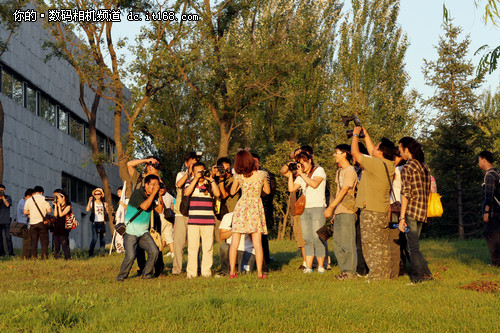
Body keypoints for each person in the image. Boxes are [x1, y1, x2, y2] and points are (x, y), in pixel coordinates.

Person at [351, 126, 396, 280]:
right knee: (382, 245)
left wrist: (356, 135)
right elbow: (371, 153)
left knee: (371, 244)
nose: (374, 147)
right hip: (382, 210)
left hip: (370, 210)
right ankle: (384, 274)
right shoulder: (388, 165)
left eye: (377, 146)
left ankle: (376, 276)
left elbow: (355, 154)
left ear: (381, 152)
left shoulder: (376, 164)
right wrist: (366, 135)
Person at [230, 150, 270, 279]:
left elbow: (232, 191)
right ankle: (259, 273)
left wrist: (238, 184)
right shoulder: (262, 174)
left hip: (242, 207)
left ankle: (232, 272)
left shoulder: (238, 176)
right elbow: (267, 191)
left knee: (234, 241)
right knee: (257, 243)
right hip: (255, 207)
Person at [397, 137, 433, 282]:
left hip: (411, 211)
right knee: (414, 245)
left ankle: (418, 278)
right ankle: (427, 275)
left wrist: (401, 218)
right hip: (422, 211)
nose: (400, 154)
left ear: (407, 149)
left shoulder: (407, 167)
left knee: (412, 247)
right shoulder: (424, 166)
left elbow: (406, 193)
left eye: (400, 150)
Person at [288, 151, 327, 274]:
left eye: (303, 162)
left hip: (317, 208)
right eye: (299, 163)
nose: (302, 165)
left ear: (309, 160)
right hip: (305, 209)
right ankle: (309, 267)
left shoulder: (319, 171)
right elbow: (291, 188)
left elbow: (314, 184)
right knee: (307, 239)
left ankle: (321, 266)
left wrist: (301, 174)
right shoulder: (301, 175)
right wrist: (291, 174)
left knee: (318, 238)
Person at [117, 174, 161, 281]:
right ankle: (121, 276)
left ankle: (146, 274)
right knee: (131, 256)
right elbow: (144, 206)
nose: (155, 187)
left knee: (154, 252)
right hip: (131, 231)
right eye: (153, 184)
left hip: (143, 232)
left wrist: (159, 195)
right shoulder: (138, 193)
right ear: (146, 185)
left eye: (157, 185)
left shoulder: (153, 195)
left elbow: (159, 210)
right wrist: (154, 193)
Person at [324, 144, 358, 279]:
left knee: (347, 243)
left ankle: (351, 272)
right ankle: (344, 271)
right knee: (337, 244)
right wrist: (334, 211)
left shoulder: (350, 171)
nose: (334, 155)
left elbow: (345, 190)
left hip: (348, 211)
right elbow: (338, 191)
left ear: (344, 154)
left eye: (336, 152)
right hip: (339, 211)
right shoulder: (339, 171)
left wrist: (331, 207)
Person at [184, 162, 221, 278]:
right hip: (193, 222)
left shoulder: (209, 183)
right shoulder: (190, 182)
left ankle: (206, 272)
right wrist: (195, 179)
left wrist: (211, 180)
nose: (200, 173)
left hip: (208, 221)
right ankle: (191, 273)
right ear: (193, 172)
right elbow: (186, 193)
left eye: (202, 171)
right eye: (198, 171)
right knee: (193, 248)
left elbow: (218, 193)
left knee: (208, 248)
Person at [172, 152, 198, 275]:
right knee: (179, 243)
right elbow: (179, 184)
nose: (193, 165)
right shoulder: (181, 174)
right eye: (191, 163)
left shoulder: (199, 176)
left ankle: (195, 267)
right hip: (180, 213)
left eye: (195, 163)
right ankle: (177, 269)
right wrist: (189, 173)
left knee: (195, 243)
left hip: (195, 212)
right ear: (186, 164)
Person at [281, 148, 307, 269]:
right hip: (296, 209)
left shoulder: (310, 171)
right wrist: (290, 165)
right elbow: (283, 171)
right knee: (300, 236)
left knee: (310, 236)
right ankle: (305, 261)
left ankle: (317, 261)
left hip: (306, 208)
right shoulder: (295, 174)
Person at [252, 152, 275, 270]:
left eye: (256, 161)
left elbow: (268, 192)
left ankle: (264, 262)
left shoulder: (264, 174)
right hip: (249, 208)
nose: (255, 163)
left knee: (262, 237)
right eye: (252, 161)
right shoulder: (244, 174)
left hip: (262, 206)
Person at [478, 150, 500, 267]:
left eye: (479, 161)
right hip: (498, 209)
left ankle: (497, 262)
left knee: (491, 234)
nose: (479, 163)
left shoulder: (489, 175)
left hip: (493, 211)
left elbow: (489, 195)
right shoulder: (496, 173)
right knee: (494, 234)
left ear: (484, 160)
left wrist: (486, 211)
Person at [213, 156, 240, 243]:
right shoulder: (214, 179)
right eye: (222, 169)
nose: (225, 172)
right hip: (220, 213)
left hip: (232, 212)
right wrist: (212, 174)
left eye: (228, 169)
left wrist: (221, 179)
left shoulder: (234, 179)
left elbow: (223, 195)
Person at [24, 185, 51, 259]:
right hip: (42, 223)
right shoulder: (44, 199)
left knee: (34, 242)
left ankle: (33, 257)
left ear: (34, 192)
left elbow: (25, 212)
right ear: (41, 192)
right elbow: (49, 210)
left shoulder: (29, 200)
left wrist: (32, 212)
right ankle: (44, 257)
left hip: (33, 223)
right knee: (44, 242)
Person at [86, 188, 109, 257]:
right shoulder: (92, 203)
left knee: (102, 239)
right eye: (95, 194)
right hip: (94, 223)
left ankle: (102, 253)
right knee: (95, 238)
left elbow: (107, 213)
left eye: (98, 194)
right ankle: (90, 252)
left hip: (102, 222)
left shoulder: (104, 204)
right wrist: (89, 201)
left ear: (101, 195)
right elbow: (87, 209)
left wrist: (107, 209)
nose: (97, 195)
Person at [52, 191, 72, 260]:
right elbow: (55, 215)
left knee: (64, 244)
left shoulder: (68, 206)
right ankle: (56, 258)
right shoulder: (58, 206)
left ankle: (68, 258)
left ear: (63, 198)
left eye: (58, 198)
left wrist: (59, 206)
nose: (57, 200)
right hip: (57, 227)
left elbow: (61, 214)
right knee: (56, 244)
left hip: (64, 227)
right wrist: (55, 206)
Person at [17, 188, 34, 259]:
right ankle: (24, 257)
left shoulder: (22, 201)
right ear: (29, 195)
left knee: (28, 241)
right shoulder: (23, 202)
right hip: (24, 224)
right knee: (26, 242)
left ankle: (27, 256)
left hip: (25, 224)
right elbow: (27, 212)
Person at [0, 184, 13, 257]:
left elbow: (7, 205)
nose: (1, 192)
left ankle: (11, 253)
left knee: (8, 237)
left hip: (6, 221)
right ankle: (2, 253)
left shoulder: (8, 197)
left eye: (2, 190)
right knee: (0, 238)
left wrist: (3, 198)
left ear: (4, 190)